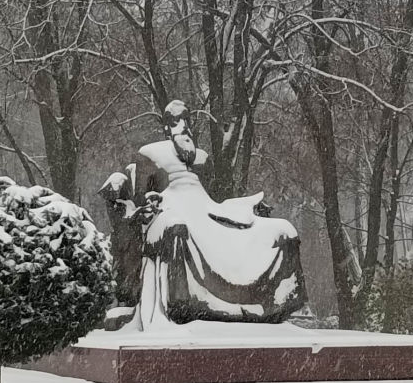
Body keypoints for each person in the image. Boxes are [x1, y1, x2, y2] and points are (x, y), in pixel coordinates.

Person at [100, 100, 306, 330]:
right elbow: (141, 200)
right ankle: (182, 303)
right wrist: (149, 204)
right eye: (175, 120)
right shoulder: (149, 154)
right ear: (166, 127)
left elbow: (216, 198)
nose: (182, 126)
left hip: (207, 212)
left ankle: (274, 305)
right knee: (176, 227)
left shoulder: (201, 159)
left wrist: (243, 207)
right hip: (169, 211)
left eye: (186, 119)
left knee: (282, 230)